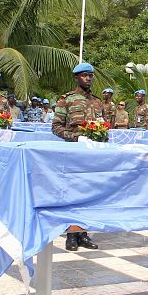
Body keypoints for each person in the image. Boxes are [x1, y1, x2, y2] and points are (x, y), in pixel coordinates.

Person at [52, 62, 103, 251]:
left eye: (90, 75)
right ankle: (71, 235)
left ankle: (84, 233)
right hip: (74, 152)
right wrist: (76, 137)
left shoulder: (98, 102)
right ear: (76, 78)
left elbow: (103, 127)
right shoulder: (66, 100)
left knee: (89, 193)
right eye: (84, 75)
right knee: (72, 192)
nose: (88, 78)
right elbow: (56, 127)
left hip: (92, 155)